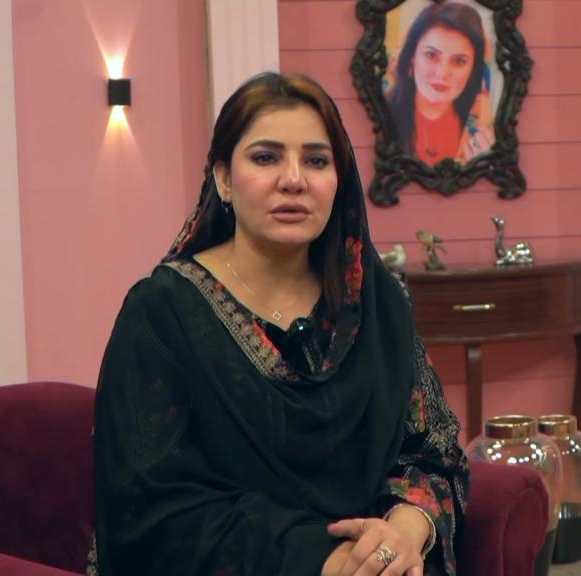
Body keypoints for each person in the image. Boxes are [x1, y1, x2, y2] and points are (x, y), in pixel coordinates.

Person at [88, 72, 469, 576]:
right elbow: (152, 508)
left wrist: (404, 530)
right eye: (266, 158)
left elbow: (433, 455)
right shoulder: (163, 313)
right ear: (224, 179)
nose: (294, 180)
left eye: (316, 160)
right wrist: (324, 559)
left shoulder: (378, 306)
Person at [387, 2, 496, 166]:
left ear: (473, 70)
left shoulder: (481, 130)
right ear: (411, 58)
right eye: (431, 55)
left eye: (459, 61)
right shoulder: (381, 115)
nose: (442, 73)